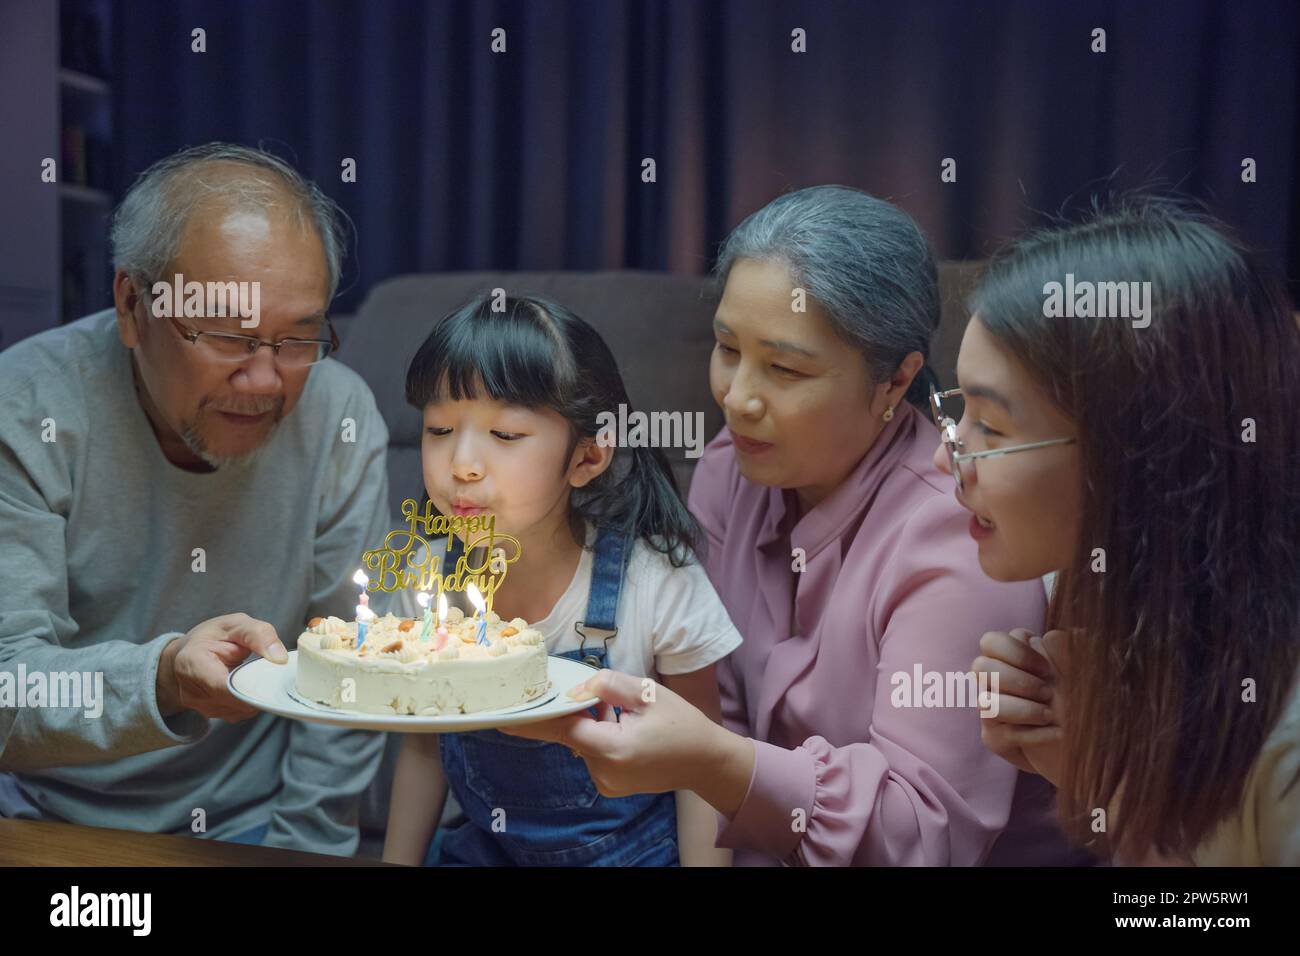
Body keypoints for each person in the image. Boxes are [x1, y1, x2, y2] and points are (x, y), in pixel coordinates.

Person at [507, 186, 1088, 865]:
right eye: (727, 349)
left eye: (784, 368)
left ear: (895, 383)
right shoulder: (732, 468)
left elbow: (919, 833)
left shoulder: (964, 531)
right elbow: (707, 690)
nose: (739, 398)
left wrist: (718, 764)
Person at [0, 143, 388, 854]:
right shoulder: (24, 411)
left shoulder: (340, 416)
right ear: (130, 305)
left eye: (298, 339)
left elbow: (352, 671)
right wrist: (163, 677)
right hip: (40, 817)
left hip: (252, 828)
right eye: (227, 336)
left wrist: (299, 851)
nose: (266, 380)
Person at [950, 198, 1300, 865]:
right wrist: (1101, 776)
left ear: (1135, 456)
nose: (949, 456)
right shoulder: (1114, 591)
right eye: (960, 414)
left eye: (990, 428)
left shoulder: (1286, 756)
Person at [381, 293, 741, 866]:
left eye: (504, 436)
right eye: (440, 428)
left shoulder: (654, 582)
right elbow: (425, 750)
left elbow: (702, 766)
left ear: (587, 457)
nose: (462, 465)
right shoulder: (430, 580)